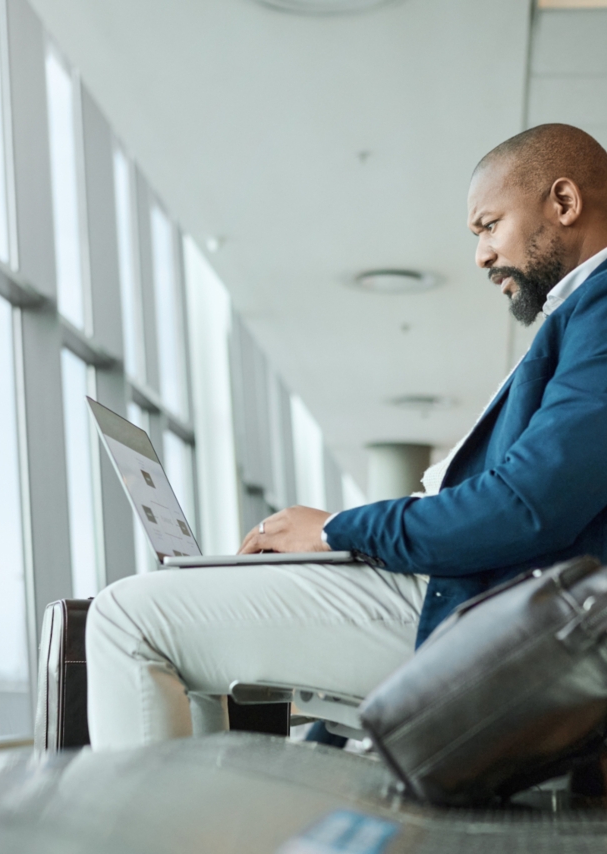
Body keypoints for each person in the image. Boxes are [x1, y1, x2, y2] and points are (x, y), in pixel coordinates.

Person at [86, 123, 607, 750]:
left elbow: (524, 507)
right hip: (475, 590)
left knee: (125, 617)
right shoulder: (579, 315)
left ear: (565, 203)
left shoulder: (600, 312)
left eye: (488, 226)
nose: (481, 256)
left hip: (480, 609)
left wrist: (338, 530)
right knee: (188, 614)